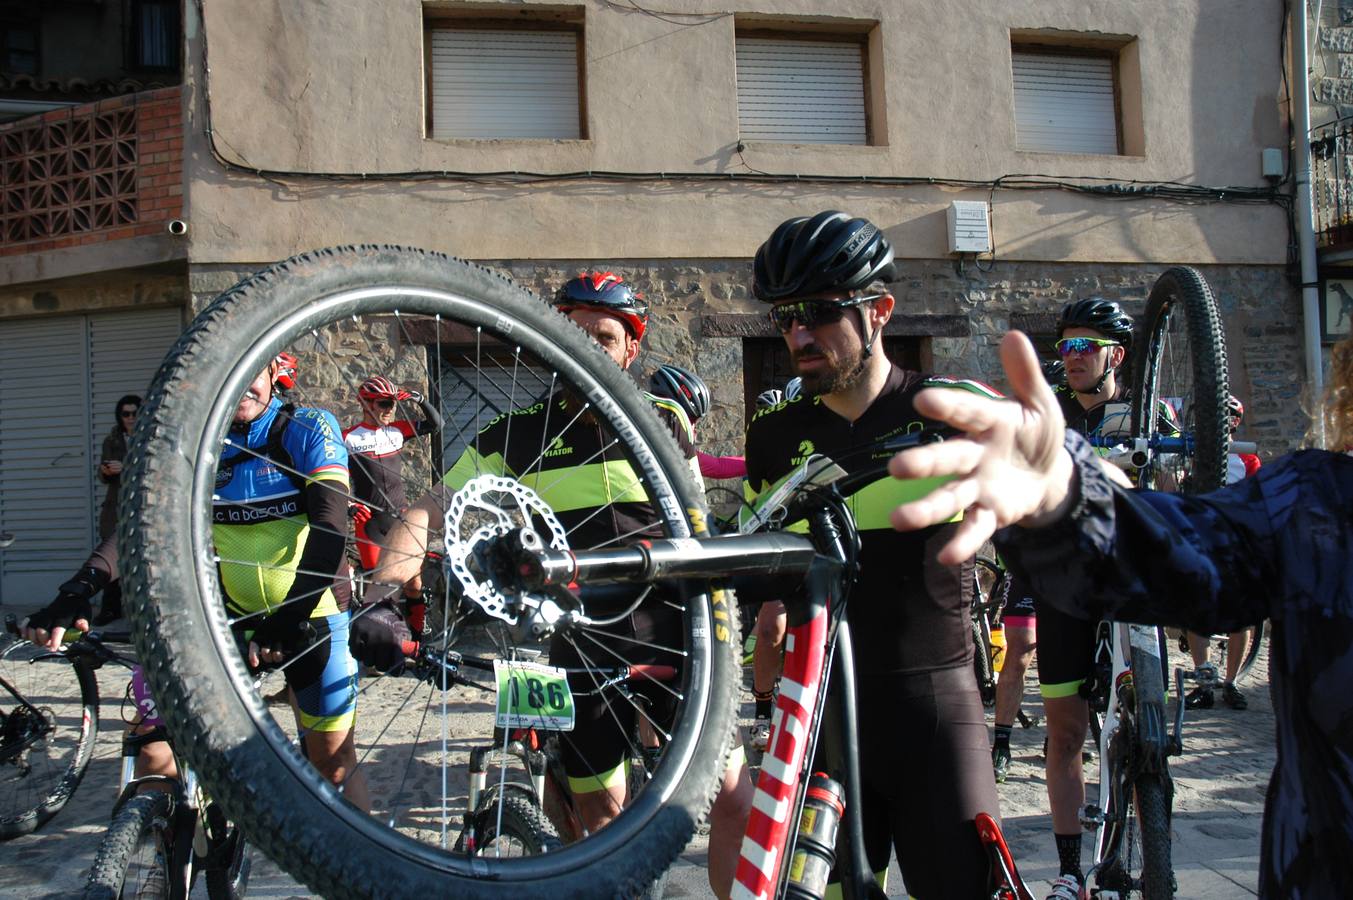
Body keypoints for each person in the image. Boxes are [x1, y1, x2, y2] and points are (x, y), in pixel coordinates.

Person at [888, 329, 1353, 900]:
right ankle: (1056, 838)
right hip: (1074, 568)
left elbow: (1170, 480)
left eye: (1090, 344)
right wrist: (1062, 496)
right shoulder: (1319, 501)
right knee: (1056, 711)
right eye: (1069, 345)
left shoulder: (1146, 409)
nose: (1076, 356)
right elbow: (1188, 550)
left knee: (1128, 718)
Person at [717, 210, 1003, 899]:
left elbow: (1050, 482)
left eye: (818, 312)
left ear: (879, 311)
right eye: (785, 318)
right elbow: (755, 565)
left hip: (936, 707)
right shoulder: (776, 433)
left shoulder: (948, 408)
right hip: (821, 720)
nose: (798, 335)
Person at [357, 270, 698, 836]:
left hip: (674, 630)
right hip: (583, 640)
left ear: (632, 349)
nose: (584, 349)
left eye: (604, 338)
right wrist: (383, 597)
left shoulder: (660, 422)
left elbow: (698, 527)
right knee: (599, 818)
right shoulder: (516, 432)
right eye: (570, 334)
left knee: (724, 798)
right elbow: (427, 510)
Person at [24, 355, 368, 810]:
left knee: (333, 762)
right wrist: (76, 591)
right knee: (155, 748)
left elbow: (329, 526)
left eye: (254, 374)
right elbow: (140, 527)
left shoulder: (305, 428)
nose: (242, 386)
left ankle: (362, 878)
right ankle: (162, 862)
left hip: (311, 612)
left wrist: (291, 615)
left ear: (274, 374)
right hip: (225, 614)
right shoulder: (194, 438)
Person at [1183, 393, 1262, 711]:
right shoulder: (1190, 452)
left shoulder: (1246, 459)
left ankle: (1230, 682)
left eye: (1231, 416)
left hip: (1233, 541)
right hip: (1199, 537)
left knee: (1239, 617)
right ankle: (1204, 679)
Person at [343, 374, 443, 615]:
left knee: (413, 585)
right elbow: (333, 477)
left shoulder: (398, 430)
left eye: (393, 403)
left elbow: (437, 425)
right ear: (366, 403)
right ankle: (381, 644)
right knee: (379, 590)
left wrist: (418, 399)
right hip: (370, 523)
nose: (390, 409)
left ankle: (417, 640)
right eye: (384, 403)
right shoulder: (347, 437)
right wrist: (348, 505)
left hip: (400, 518)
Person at [89, 394, 141, 624]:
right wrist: (106, 471)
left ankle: (140, 611)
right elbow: (102, 475)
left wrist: (126, 466)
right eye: (125, 414)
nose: (130, 418)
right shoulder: (113, 439)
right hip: (115, 507)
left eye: (134, 413)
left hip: (140, 505)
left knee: (141, 558)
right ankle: (110, 609)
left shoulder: (150, 436)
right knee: (111, 558)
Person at [648, 362, 747, 479]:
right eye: (690, 420)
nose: (694, 430)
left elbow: (719, 466)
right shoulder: (675, 439)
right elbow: (719, 467)